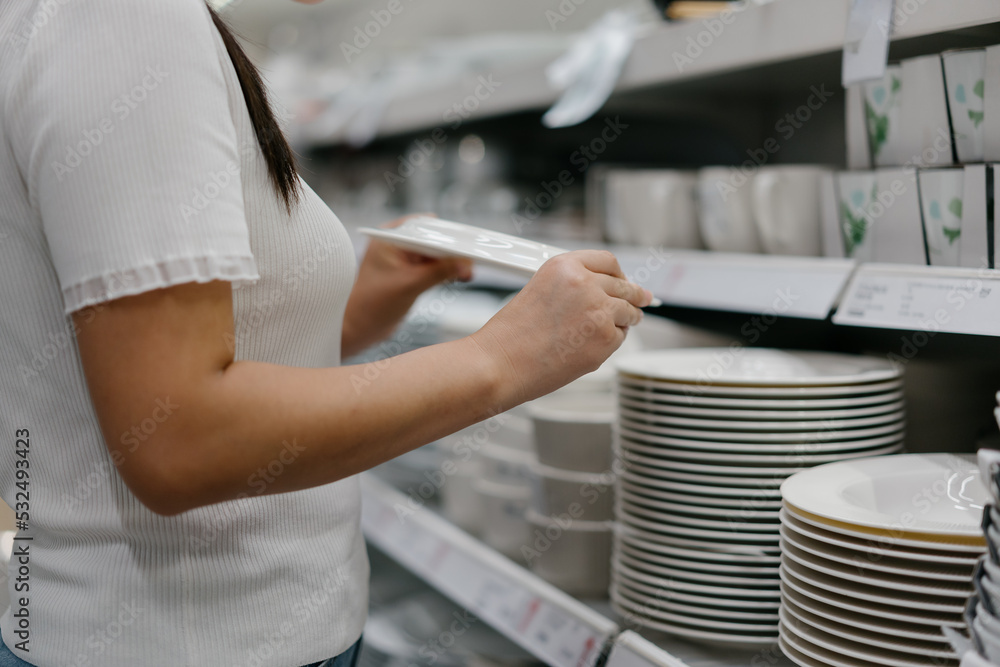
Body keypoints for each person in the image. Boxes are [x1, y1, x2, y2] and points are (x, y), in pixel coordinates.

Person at [0, 0, 651, 665]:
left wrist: (344, 308)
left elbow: (124, 362)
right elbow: (179, 435)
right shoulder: (120, 18)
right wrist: (506, 355)